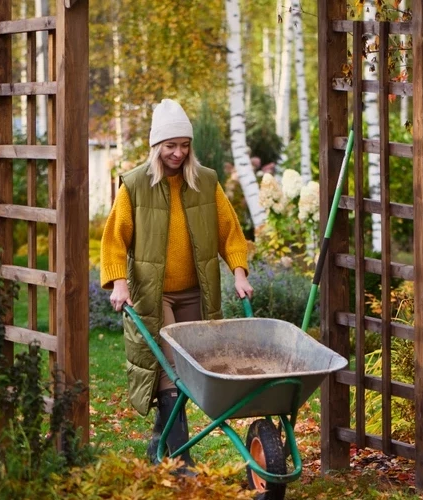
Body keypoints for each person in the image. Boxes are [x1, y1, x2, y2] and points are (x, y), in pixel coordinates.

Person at [100, 99, 254, 467]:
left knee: (187, 373)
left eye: (184, 145)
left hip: (196, 292)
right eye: (170, 146)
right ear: (156, 146)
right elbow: (114, 239)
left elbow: (230, 232)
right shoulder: (135, 185)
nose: (178, 152)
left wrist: (239, 272)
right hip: (156, 296)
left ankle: (161, 440)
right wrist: (119, 283)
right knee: (173, 371)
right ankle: (182, 462)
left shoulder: (206, 182)